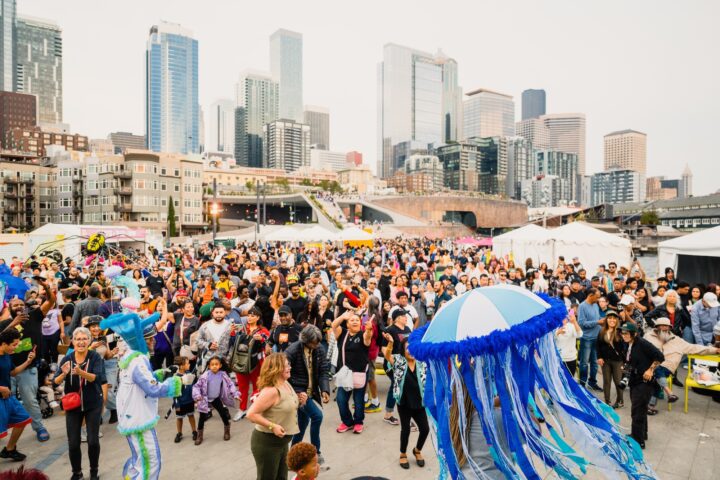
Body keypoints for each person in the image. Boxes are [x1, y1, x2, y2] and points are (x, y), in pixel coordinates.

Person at [100, 312, 182, 480]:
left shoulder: (132, 356)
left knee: (139, 460)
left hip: (132, 416)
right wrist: (176, 382)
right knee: (150, 462)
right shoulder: (137, 361)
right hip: (138, 418)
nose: (153, 341)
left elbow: (143, 381)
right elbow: (153, 389)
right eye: (150, 339)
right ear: (140, 340)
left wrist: (160, 374)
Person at [0, 276, 55, 442]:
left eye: (21, 305)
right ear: (9, 308)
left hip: (27, 368)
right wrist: (13, 322)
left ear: (25, 306)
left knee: (30, 400)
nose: (18, 307)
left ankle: (39, 427)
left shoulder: (35, 316)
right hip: (6, 370)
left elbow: (51, 301)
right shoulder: (4, 324)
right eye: (15, 305)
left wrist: (45, 286)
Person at [54, 327, 106, 480]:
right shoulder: (67, 359)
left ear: (89, 341)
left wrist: (81, 372)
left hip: (93, 404)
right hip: (73, 406)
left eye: (84, 339)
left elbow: (97, 378)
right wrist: (63, 373)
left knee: (92, 441)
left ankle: (94, 470)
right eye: (78, 339)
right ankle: (77, 472)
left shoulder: (95, 357)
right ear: (73, 342)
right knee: (73, 443)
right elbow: (54, 382)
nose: (81, 342)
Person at [644, 317, 719, 411]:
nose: (664, 328)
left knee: (656, 371)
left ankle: (653, 403)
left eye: (666, 326)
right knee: (655, 371)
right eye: (662, 326)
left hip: (667, 367)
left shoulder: (677, 340)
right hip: (650, 365)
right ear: (657, 327)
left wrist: (715, 350)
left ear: (670, 328)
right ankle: (668, 394)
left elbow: (695, 348)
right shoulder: (648, 336)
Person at [247, 353, 300, 480]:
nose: (290, 368)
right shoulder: (271, 391)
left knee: (282, 477)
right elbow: (251, 414)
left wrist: (300, 399)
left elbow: (284, 406)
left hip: (282, 442)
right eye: (287, 365)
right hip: (267, 443)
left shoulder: (286, 383)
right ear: (277, 368)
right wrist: (272, 426)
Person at [382, 332, 429, 470]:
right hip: (403, 403)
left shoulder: (422, 362)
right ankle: (403, 454)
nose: (410, 351)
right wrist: (390, 343)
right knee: (406, 430)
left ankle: (417, 450)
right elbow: (387, 355)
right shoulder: (398, 360)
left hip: (419, 403)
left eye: (413, 348)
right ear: (403, 349)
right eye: (407, 347)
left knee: (425, 429)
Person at [285, 325, 331, 466]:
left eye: (318, 342)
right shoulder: (292, 350)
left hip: (311, 391)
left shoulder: (319, 348)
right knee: (317, 416)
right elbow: (285, 375)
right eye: (313, 343)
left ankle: (291, 455)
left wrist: (325, 389)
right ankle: (316, 451)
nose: (316, 345)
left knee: (302, 424)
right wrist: (296, 393)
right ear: (305, 340)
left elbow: (323, 370)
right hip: (298, 392)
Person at [620, 322, 664, 449]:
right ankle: (642, 434)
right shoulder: (627, 344)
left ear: (634, 334)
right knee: (641, 409)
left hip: (644, 383)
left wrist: (650, 370)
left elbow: (660, 357)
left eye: (627, 333)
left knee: (637, 411)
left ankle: (637, 441)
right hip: (634, 380)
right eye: (622, 333)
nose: (624, 335)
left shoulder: (642, 343)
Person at [331, 309, 373, 434]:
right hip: (345, 374)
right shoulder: (342, 334)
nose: (355, 322)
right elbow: (334, 325)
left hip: (360, 373)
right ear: (347, 324)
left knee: (358, 400)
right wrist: (342, 316)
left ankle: (358, 422)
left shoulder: (362, 334)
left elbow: (367, 338)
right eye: (352, 320)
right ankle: (347, 422)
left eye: (357, 320)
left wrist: (369, 329)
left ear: (360, 323)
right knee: (341, 400)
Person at [0, 329, 33, 462]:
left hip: (8, 398)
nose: (16, 347)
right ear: (3, 343)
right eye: (14, 344)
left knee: (23, 419)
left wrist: (28, 362)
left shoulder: (7, 355)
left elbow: (13, 372)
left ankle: (9, 449)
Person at [231, 307, 270, 421]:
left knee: (257, 386)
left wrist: (262, 339)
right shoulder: (242, 328)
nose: (250, 317)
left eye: (253, 316)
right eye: (248, 315)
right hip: (241, 361)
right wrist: (232, 332)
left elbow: (268, 341)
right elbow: (233, 341)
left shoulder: (262, 330)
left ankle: (255, 409)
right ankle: (242, 409)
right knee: (242, 387)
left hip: (256, 362)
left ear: (258, 318)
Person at [192, 356, 239, 445]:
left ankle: (227, 430)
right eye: (212, 364)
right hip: (204, 399)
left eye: (216, 364)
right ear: (209, 366)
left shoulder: (223, 375)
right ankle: (199, 435)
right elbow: (196, 386)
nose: (214, 366)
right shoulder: (205, 375)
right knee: (202, 418)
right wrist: (197, 396)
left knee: (223, 414)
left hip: (216, 398)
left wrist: (235, 394)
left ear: (220, 365)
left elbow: (230, 384)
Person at [596, 311, 625, 408]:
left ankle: (620, 401)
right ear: (606, 319)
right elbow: (598, 345)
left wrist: (624, 361)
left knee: (618, 382)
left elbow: (625, 347)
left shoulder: (620, 331)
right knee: (606, 381)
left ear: (617, 320)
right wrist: (599, 357)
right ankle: (607, 401)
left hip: (617, 361)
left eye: (614, 318)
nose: (612, 320)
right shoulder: (601, 331)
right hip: (605, 361)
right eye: (609, 318)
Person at [577, 288, 603, 391]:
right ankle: (582, 384)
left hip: (597, 338)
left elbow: (597, 318)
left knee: (594, 363)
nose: (598, 299)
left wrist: (602, 321)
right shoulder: (582, 306)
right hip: (586, 338)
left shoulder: (596, 305)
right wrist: (597, 322)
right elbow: (582, 323)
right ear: (590, 295)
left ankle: (592, 382)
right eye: (597, 297)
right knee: (584, 363)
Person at [171, 356, 197, 443]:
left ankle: (194, 431)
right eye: (187, 363)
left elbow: (192, 386)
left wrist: (195, 398)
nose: (189, 364)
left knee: (191, 416)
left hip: (190, 400)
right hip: (181, 403)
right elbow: (175, 393)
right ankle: (179, 433)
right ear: (181, 366)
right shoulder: (175, 378)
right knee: (179, 418)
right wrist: (177, 404)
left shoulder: (189, 373)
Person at [555, 307, 583, 375]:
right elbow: (549, 340)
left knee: (570, 380)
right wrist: (557, 332)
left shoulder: (571, 326)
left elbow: (580, 334)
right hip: (559, 359)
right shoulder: (555, 327)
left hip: (571, 358)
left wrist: (575, 322)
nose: (564, 319)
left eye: (565, 317)